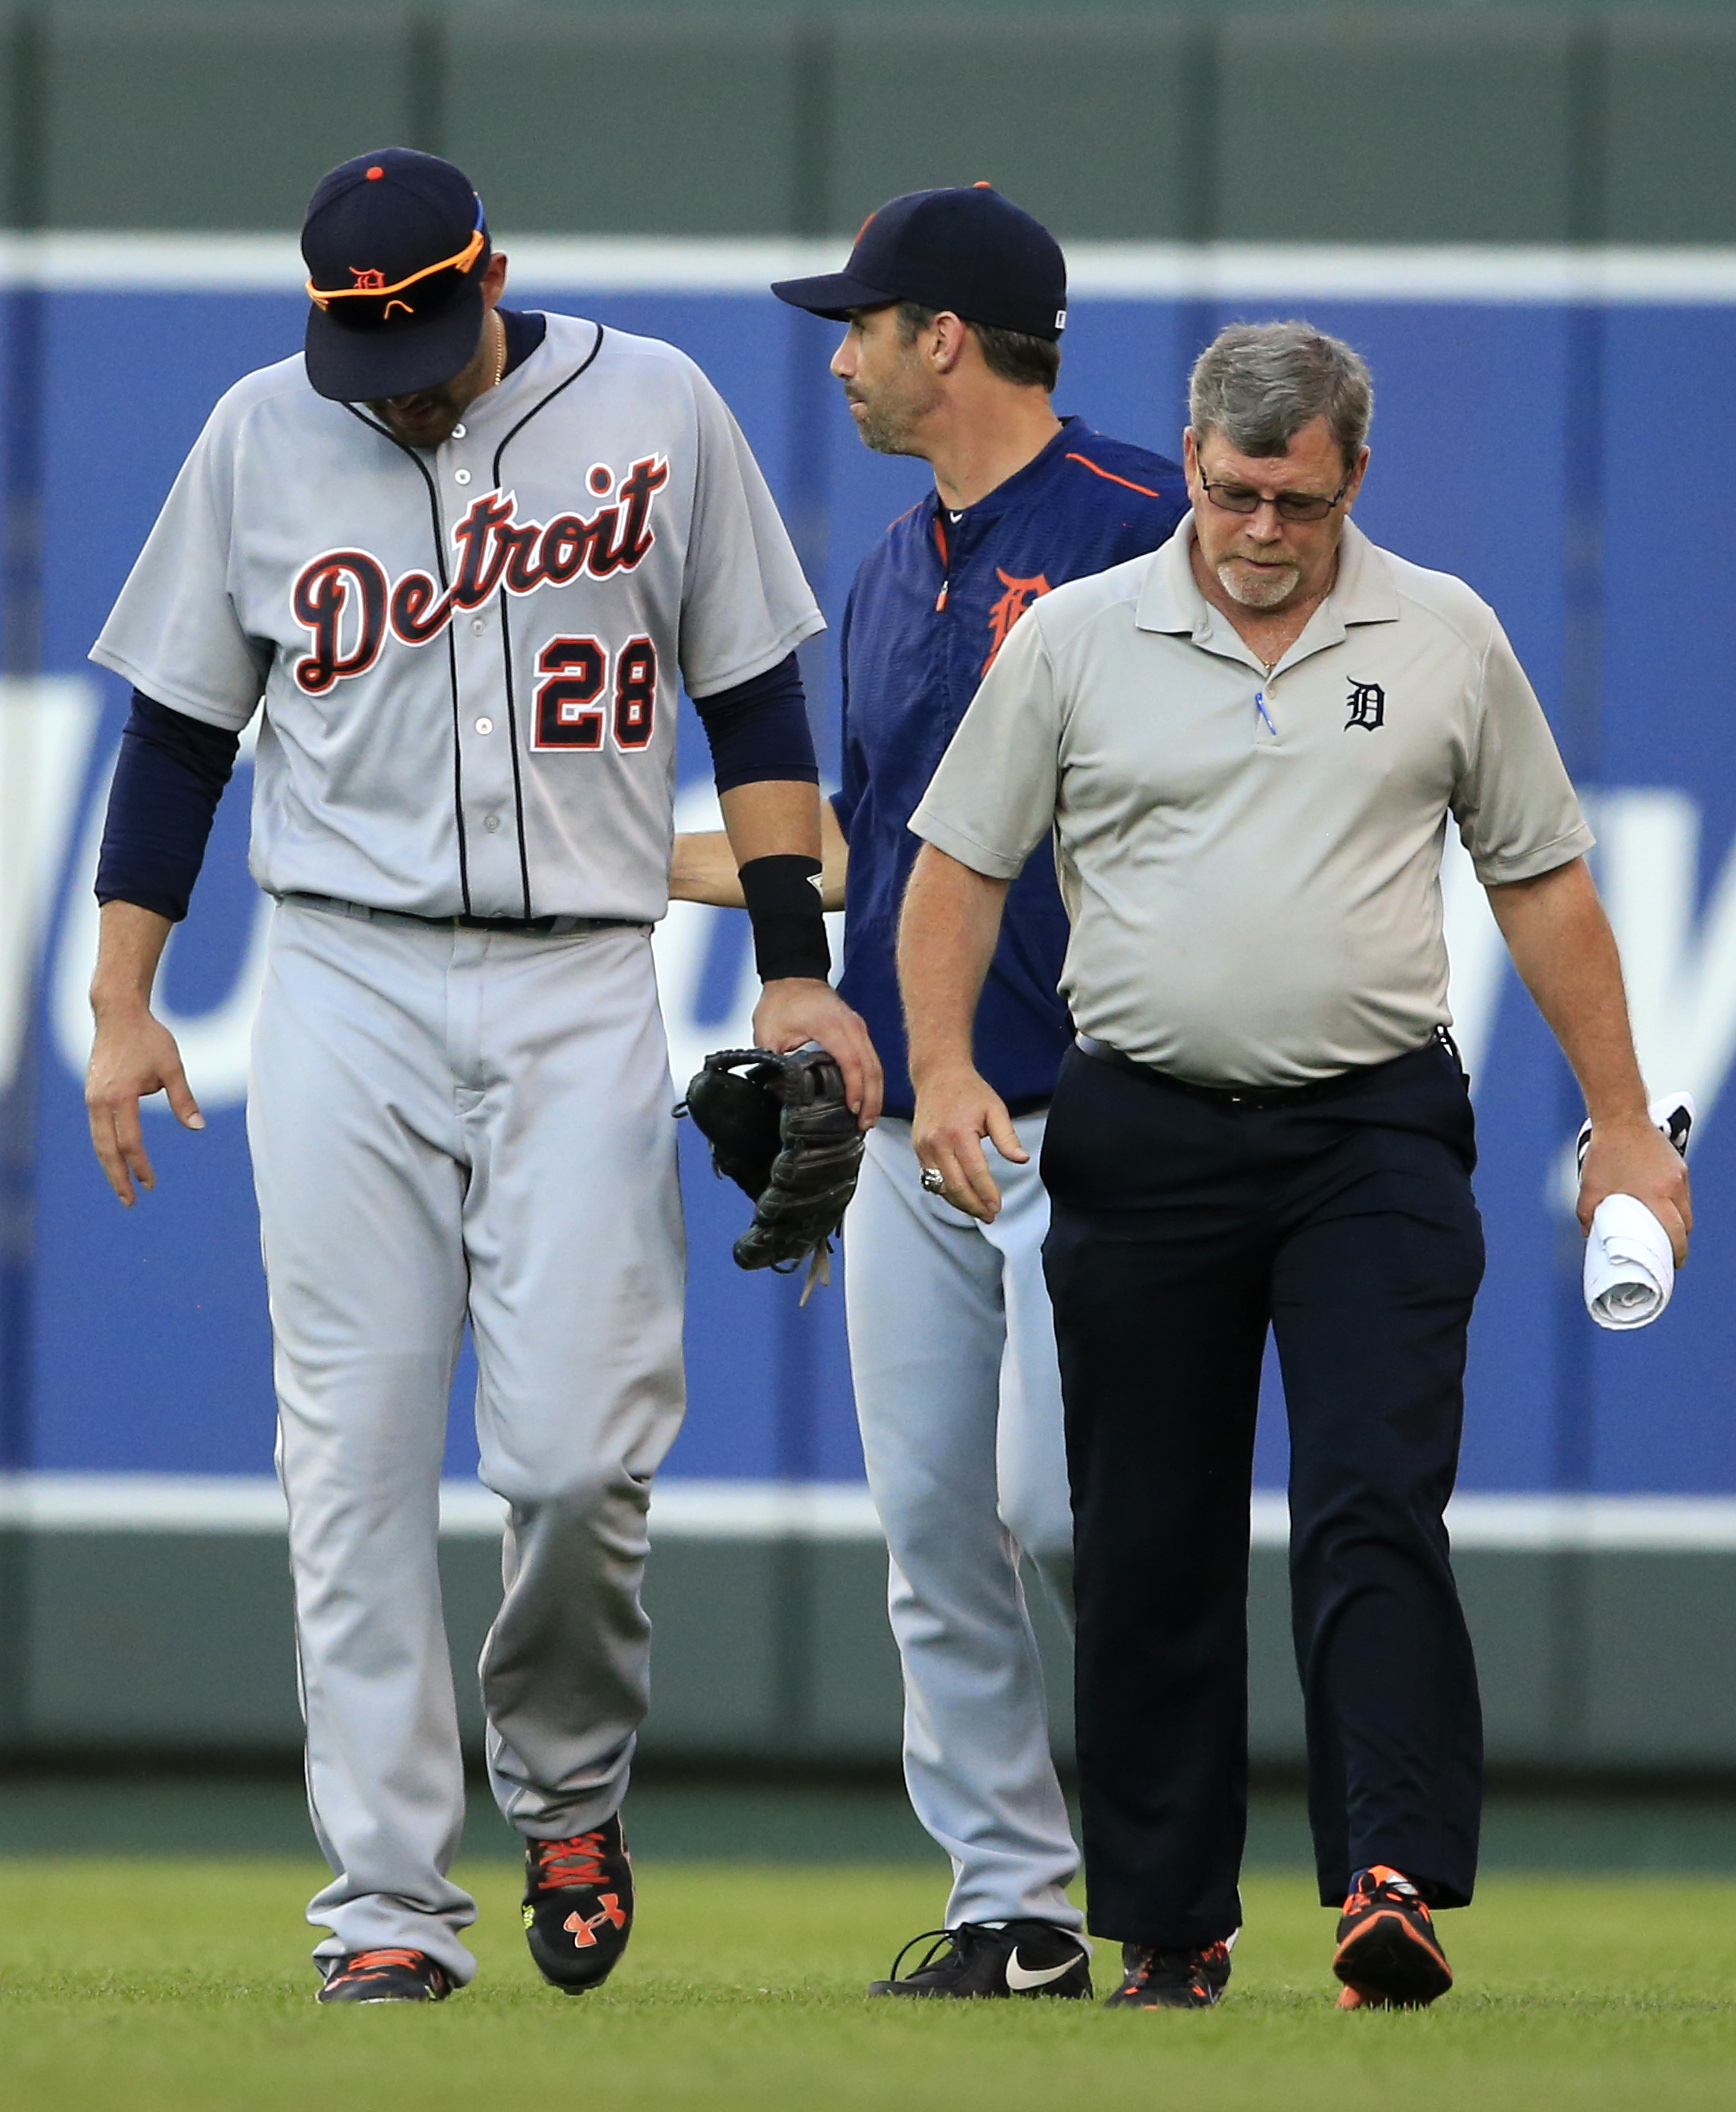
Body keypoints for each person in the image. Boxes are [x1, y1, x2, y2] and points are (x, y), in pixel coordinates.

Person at [82, 146, 877, 2004]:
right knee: (349, 1467)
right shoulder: (261, 434)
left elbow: (754, 698)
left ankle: (572, 1787)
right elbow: (180, 734)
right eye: (369, 347)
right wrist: (127, 999)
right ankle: (382, 1907)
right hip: (342, 976)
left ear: (491, 274)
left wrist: (792, 976)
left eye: (429, 335)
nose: (408, 377)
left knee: (580, 1459)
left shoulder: (655, 406)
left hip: (583, 974)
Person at [897, 320, 1690, 2010]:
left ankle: (1387, 1876)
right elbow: (958, 864)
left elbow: (1542, 881)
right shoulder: (1082, 639)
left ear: (1354, 481)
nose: (1264, 530)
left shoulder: (1447, 633)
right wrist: (949, 1067)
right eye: (1239, 492)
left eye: (1300, 502)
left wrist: (1623, 1115)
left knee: (1372, 1504)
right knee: (1148, 1535)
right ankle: (1174, 1926)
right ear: (1191, 462)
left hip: (1371, 1132)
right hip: (1143, 1123)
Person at [671, 185, 1185, 1999]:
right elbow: (861, 835)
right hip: (906, 1124)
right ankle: (1015, 1908)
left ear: (942, 338)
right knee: (931, 1529)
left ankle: (1164, 1872)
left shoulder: (1156, 524)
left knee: (1059, 1507)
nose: (843, 354)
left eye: (864, 323)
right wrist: (607, 858)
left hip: (1096, 1107)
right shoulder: (898, 561)